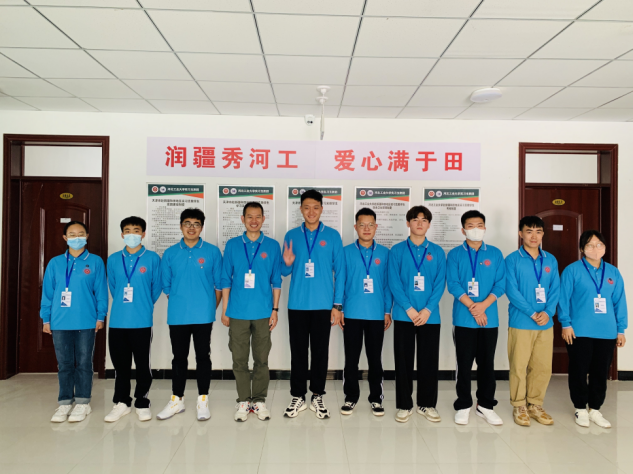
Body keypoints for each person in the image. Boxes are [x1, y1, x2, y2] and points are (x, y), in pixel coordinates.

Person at [281, 189, 345, 419]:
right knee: (298, 352)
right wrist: (287, 262)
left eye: (315, 207)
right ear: (301, 209)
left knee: (320, 352)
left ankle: (317, 394)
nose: (311, 211)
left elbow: (341, 271)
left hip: (323, 305)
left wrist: (337, 306)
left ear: (321, 209)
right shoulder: (291, 235)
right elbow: (284, 271)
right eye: (307, 207)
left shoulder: (333, 236)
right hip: (297, 304)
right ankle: (298, 395)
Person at [157, 208, 222, 421]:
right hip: (178, 315)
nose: (191, 227)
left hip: (204, 315)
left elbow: (219, 285)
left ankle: (203, 400)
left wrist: (209, 307)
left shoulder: (212, 252)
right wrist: (182, 302)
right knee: (179, 358)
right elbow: (167, 286)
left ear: (202, 227)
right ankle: (177, 399)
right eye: (187, 223)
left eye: (196, 224)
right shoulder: (170, 253)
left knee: (203, 357)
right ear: (180, 226)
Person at [558, 230, 627, 428]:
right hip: (579, 330)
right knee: (579, 370)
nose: (595, 248)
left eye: (599, 245)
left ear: (604, 247)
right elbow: (563, 299)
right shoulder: (572, 270)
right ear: (582, 249)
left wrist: (621, 330)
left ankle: (595, 408)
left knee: (600, 371)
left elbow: (619, 302)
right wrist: (566, 323)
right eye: (589, 245)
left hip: (607, 331)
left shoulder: (613, 272)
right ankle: (580, 408)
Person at [41, 221, 108, 423]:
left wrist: (100, 316)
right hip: (60, 321)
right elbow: (47, 294)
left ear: (86, 236)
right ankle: (64, 402)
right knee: (64, 364)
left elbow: (101, 292)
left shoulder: (95, 261)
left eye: (80, 234)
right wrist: (46, 319)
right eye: (72, 234)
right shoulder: (55, 263)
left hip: (86, 321)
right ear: (65, 238)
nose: (76, 237)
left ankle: (83, 402)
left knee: (84, 363)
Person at [220, 202, 282, 422]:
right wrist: (225, 310)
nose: (254, 221)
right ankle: (244, 400)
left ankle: (259, 400)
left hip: (263, 312)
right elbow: (225, 279)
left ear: (263, 219)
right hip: (237, 312)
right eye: (249, 217)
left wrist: (275, 310)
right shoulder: (233, 245)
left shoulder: (272, 246)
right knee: (239, 359)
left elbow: (276, 280)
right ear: (242, 219)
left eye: (258, 217)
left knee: (261, 359)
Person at [447, 210, 506, 426]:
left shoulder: (495, 254)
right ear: (463, 230)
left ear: (485, 228)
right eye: (471, 226)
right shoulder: (455, 254)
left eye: (479, 225)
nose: (476, 229)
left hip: (489, 319)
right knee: (463, 364)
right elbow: (453, 284)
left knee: (487, 363)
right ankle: (463, 404)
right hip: (464, 318)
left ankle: (485, 405)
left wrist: (483, 306)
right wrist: (474, 307)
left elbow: (501, 284)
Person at [389, 205, 446, 424]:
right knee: (403, 362)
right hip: (404, 315)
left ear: (429, 224)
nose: (419, 223)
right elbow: (394, 282)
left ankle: (427, 404)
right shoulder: (397, 251)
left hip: (430, 316)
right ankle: (404, 405)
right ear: (408, 223)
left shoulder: (437, 252)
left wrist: (427, 309)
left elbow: (440, 284)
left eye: (424, 220)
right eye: (415, 219)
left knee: (428, 362)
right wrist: (409, 309)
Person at [104, 216, 162, 423]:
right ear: (122, 234)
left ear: (143, 234)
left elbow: (156, 287)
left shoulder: (152, 258)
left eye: (136, 230)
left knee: (142, 363)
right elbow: (113, 287)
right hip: (118, 320)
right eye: (127, 231)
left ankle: (142, 401)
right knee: (120, 365)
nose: (132, 234)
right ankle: (122, 402)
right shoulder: (113, 259)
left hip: (141, 320)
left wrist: (143, 303)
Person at [505, 216, 560, 427]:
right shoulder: (512, 259)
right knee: (519, 366)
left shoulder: (550, 260)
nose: (534, 236)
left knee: (542, 366)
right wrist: (531, 312)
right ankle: (519, 405)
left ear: (543, 234)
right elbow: (511, 290)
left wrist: (548, 312)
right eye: (529, 231)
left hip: (545, 323)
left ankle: (535, 404)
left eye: (538, 231)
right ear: (521, 234)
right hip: (521, 321)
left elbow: (555, 289)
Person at [340, 208, 392, 417]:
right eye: (362, 225)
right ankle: (350, 397)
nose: (366, 228)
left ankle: (376, 398)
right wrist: (339, 308)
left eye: (371, 224)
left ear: (376, 227)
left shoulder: (385, 253)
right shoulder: (345, 252)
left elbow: (387, 285)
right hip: (351, 313)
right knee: (351, 359)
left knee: (375, 359)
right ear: (356, 227)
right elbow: (340, 282)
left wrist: (387, 311)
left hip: (376, 314)